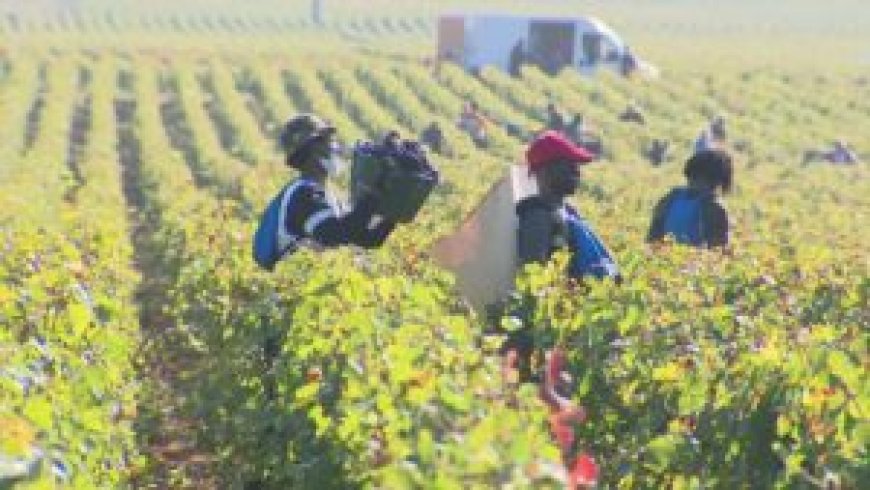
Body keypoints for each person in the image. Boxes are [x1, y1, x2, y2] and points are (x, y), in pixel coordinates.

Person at [252, 114, 396, 270]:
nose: (334, 147)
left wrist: (393, 211)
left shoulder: (329, 197)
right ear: (313, 151)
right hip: (294, 289)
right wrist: (373, 195)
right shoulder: (304, 194)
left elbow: (367, 239)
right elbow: (334, 234)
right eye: (328, 142)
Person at [647, 149, 733, 248]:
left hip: (692, 262)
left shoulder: (713, 206)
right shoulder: (673, 197)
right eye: (693, 178)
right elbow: (654, 232)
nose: (694, 183)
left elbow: (718, 248)